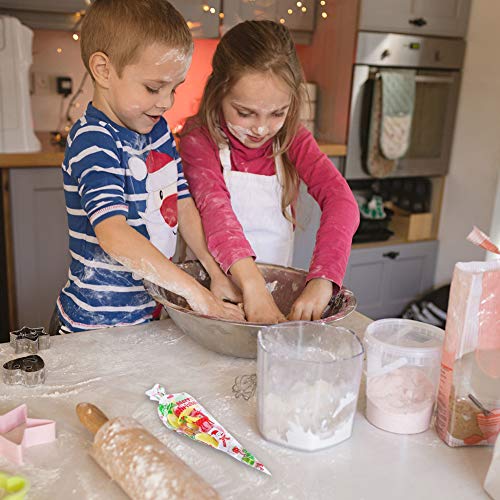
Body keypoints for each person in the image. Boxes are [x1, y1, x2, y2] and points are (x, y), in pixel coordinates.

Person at [54, 0, 243, 333]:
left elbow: (181, 202)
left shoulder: (157, 131)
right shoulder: (93, 140)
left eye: (174, 89)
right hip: (96, 325)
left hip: (148, 313)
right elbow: (113, 233)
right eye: (154, 88)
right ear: (103, 70)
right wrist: (196, 294)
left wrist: (215, 274)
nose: (167, 102)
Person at [180, 20, 360, 323]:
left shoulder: (291, 139)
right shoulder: (199, 139)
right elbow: (216, 212)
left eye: (278, 112)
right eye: (245, 112)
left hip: (267, 295)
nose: (261, 128)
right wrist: (253, 286)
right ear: (218, 93)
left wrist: (324, 278)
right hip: (210, 294)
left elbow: (341, 200)